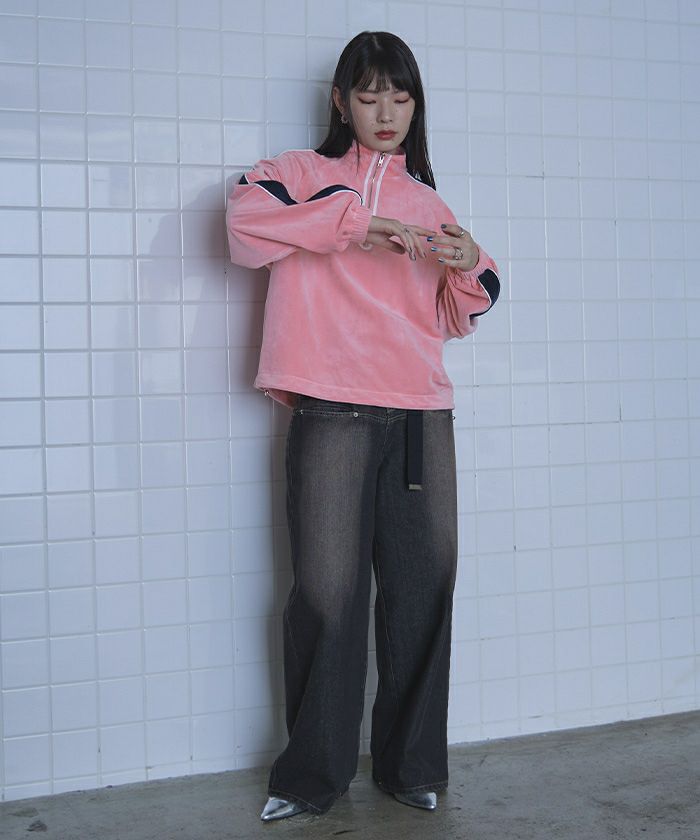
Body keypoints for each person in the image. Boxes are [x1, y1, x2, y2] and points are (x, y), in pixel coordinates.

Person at [226, 31, 500, 822]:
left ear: (416, 107)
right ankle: (310, 777)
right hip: (331, 406)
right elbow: (244, 226)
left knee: (424, 586)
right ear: (340, 101)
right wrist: (356, 224)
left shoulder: (430, 203)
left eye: (401, 97)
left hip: (420, 413)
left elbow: (462, 309)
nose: (386, 112)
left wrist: (468, 262)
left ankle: (411, 766)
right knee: (326, 592)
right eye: (371, 95)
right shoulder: (296, 177)